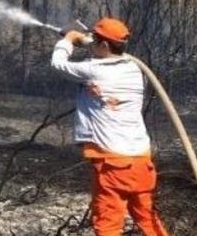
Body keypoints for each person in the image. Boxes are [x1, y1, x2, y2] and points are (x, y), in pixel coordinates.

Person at [50, 17, 169, 236]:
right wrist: (86, 40)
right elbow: (106, 55)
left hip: (113, 165)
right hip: (141, 162)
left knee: (108, 225)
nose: (92, 41)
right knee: (148, 219)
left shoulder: (94, 71)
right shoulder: (134, 69)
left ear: (104, 45)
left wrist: (68, 40)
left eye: (95, 39)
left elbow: (58, 64)